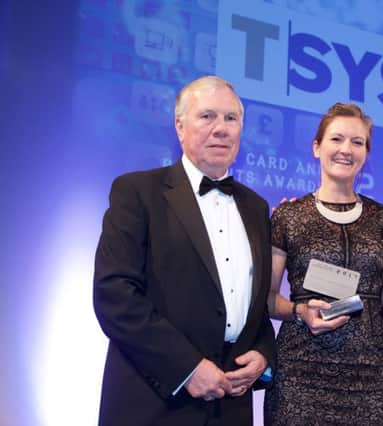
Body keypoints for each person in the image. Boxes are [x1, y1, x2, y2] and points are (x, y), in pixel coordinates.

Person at [93, 76, 276, 426]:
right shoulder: (137, 192)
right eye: (207, 116)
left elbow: (253, 306)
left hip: (231, 408)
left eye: (231, 118)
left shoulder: (256, 207)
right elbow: (115, 295)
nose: (221, 129)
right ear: (180, 126)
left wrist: (264, 356)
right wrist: (187, 368)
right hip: (154, 403)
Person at [263, 103, 383, 425]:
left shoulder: (382, 218)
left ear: (366, 152)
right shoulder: (289, 215)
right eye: (337, 139)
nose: (346, 150)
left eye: (357, 142)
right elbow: (266, 298)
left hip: (371, 375)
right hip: (301, 373)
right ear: (316, 147)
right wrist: (300, 312)